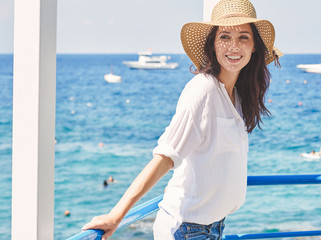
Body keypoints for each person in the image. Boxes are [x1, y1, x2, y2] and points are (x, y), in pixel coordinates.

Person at [82, 0, 282, 239]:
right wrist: (116, 216)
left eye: (243, 37)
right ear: (213, 44)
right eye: (225, 36)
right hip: (187, 230)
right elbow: (166, 156)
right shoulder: (203, 90)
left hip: (212, 227)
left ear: (254, 47)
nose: (234, 46)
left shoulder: (237, 96)